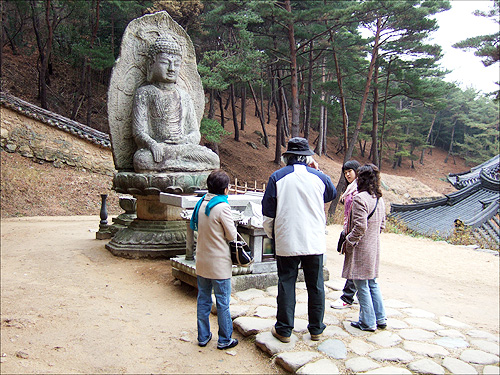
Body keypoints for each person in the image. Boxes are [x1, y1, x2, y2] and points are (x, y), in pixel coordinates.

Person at [262, 137, 336, 342]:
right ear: (307, 158)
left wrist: (272, 234)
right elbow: (331, 193)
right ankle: (316, 329)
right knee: (316, 285)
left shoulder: (277, 177)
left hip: (287, 238)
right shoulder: (319, 178)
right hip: (314, 239)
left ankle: (284, 329)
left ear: (287, 157)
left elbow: (268, 213)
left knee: (286, 282)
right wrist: (318, 170)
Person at [132, 36, 219, 173]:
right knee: (142, 160)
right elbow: (139, 132)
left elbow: (195, 133)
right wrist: (153, 144)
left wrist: (184, 140)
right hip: (158, 150)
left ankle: (172, 167)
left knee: (214, 159)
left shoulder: (184, 95)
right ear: (151, 64)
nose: (171, 68)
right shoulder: (144, 93)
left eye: (176, 64)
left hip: (182, 148)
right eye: (165, 63)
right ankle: (187, 169)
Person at [190, 169, 238, 349]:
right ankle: (225, 339)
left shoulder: (202, 203)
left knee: (203, 299)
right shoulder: (222, 207)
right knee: (223, 302)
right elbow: (232, 235)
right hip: (219, 263)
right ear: (225, 189)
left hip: (202, 261)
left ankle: (203, 336)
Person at [341, 164, 386, 332]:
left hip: (361, 248)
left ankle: (367, 322)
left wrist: (349, 241)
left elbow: (360, 226)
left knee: (361, 285)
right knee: (372, 282)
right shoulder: (379, 198)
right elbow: (382, 225)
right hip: (374, 246)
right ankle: (380, 318)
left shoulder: (360, 198)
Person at [332, 160, 361, 310]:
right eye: (345, 172)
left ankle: (347, 296)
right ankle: (356, 294)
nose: (347, 174)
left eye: (350, 171)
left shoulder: (358, 188)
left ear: (357, 171)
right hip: (349, 227)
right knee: (355, 263)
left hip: (355, 229)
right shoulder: (352, 187)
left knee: (353, 263)